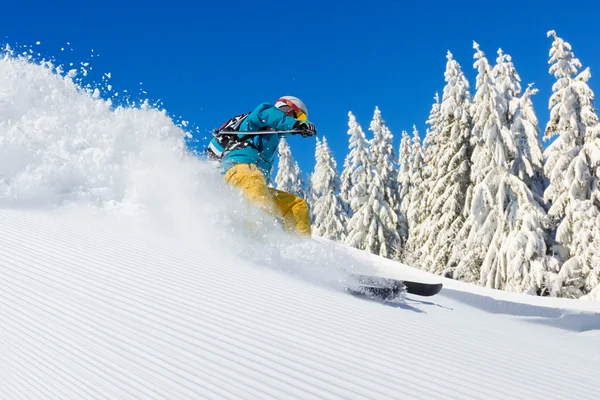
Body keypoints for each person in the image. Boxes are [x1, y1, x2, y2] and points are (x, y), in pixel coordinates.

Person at [207, 96, 317, 236]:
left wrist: (299, 127)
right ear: (286, 108)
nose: (299, 120)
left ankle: (301, 246)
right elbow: (265, 113)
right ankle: (257, 240)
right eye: (299, 116)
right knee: (257, 190)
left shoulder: (272, 136)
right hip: (239, 171)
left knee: (296, 205)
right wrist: (296, 125)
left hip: (254, 183)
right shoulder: (261, 117)